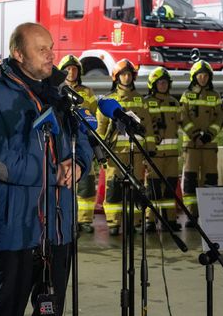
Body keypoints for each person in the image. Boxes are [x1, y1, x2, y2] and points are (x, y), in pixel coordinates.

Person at [0, 22, 92, 316]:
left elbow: (86, 138)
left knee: (50, 314)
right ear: (18, 54)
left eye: (51, 47)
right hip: (17, 228)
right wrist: (53, 172)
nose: (51, 55)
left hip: (59, 225)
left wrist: (78, 165)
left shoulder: (62, 94)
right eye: (41, 49)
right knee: (8, 313)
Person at [96, 59, 154, 236]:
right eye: (123, 74)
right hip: (114, 155)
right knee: (113, 189)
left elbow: (148, 127)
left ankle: (135, 221)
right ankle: (114, 223)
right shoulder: (108, 101)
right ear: (116, 77)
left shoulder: (140, 100)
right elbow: (100, 128)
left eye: (129, 74)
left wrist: (149, 148)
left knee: (136, 188)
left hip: (135, 153)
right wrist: (100, 152)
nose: (127, 78)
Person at [180, 60, 223, 227]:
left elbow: (219, 118)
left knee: (210, 178)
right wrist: (195, 135)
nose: (203, 78)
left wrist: (208, 136)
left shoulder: (215, 96)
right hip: (191, 146)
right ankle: (192, 215)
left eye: (206, 75)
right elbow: (183, 118)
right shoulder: (187, 95)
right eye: (200, 75)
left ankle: (209, 213)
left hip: (209, 145)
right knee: (191, 179)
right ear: (194, 77)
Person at [58, 54, 98, 233]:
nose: (71, 72)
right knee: (66, 182)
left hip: (83, 141)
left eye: (74, 69)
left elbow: (94, 115)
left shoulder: (87, 92)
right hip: (65, 142)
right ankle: (69, 220)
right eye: (68, 69)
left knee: (86, 183)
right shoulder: (57, 90)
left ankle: (85, 220)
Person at [143, 67, 181, 232]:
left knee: (170, 188)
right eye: (160, 82)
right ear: (153, 84)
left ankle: (169, 220)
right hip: (154, 154)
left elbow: (182, 123)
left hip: (172, 155)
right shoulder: (146, 103)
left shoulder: (174, 102)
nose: (163, 85)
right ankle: (150, 221)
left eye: (166, 82)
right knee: (153, 189)